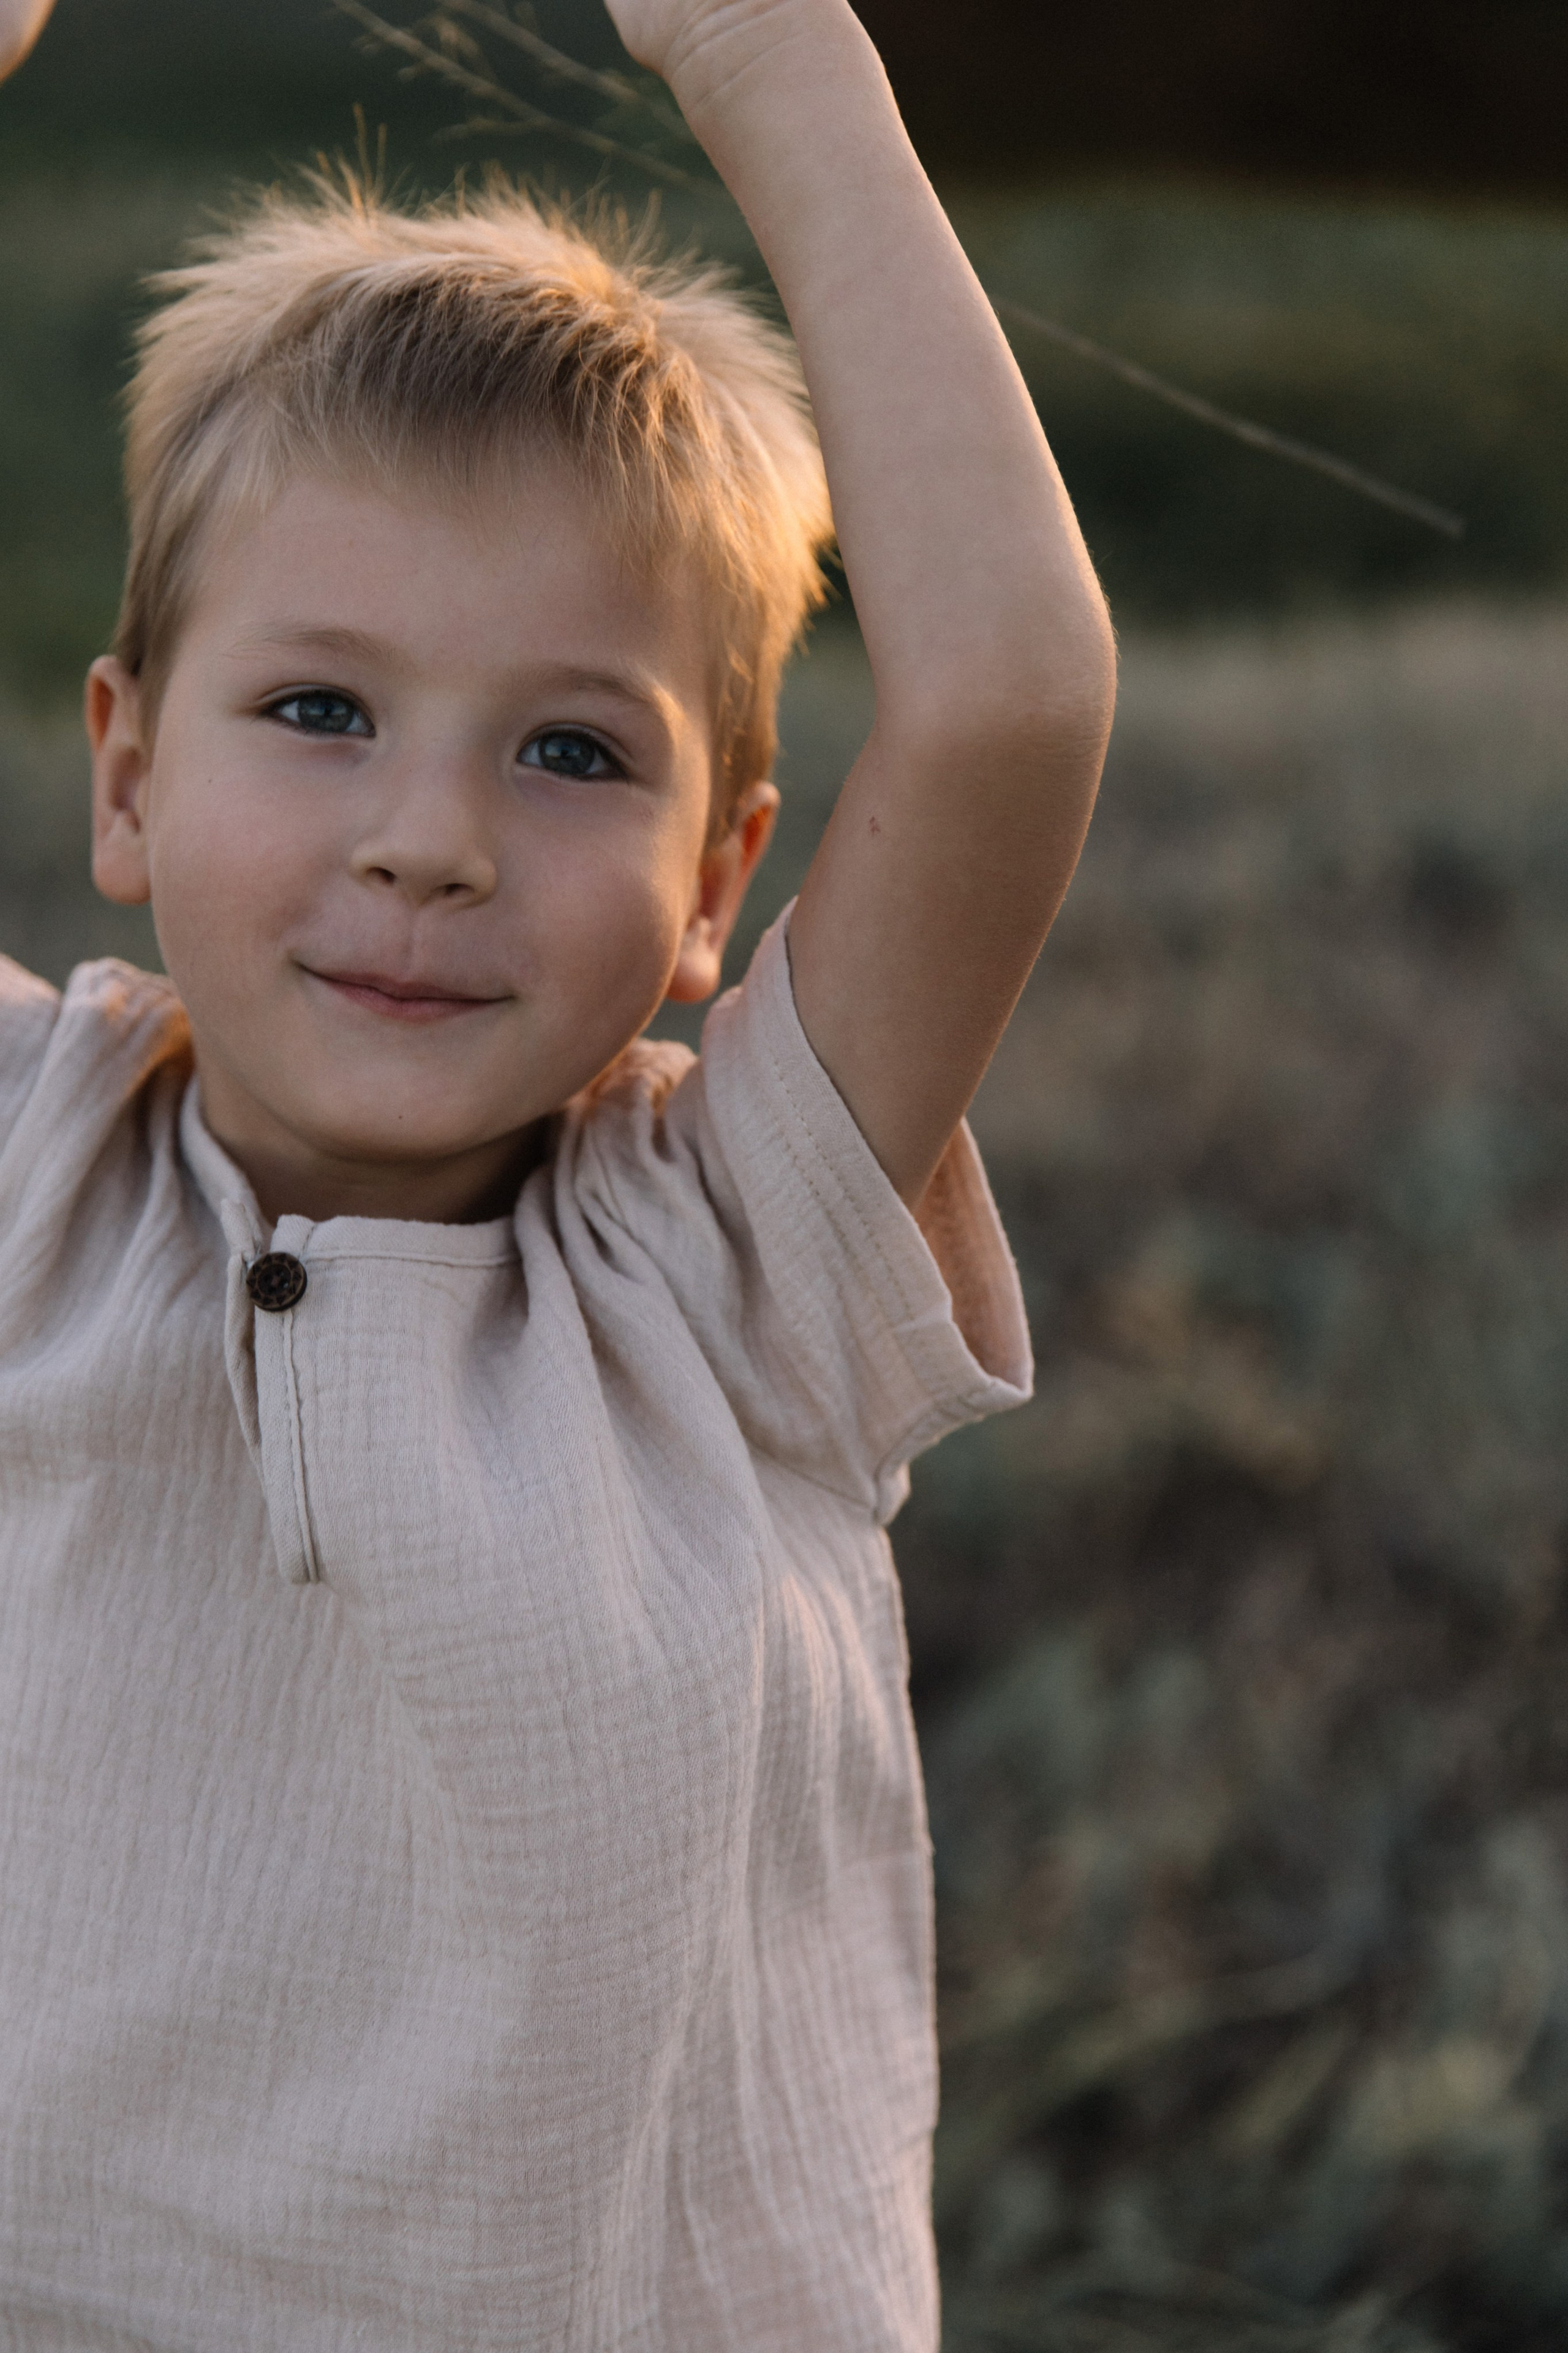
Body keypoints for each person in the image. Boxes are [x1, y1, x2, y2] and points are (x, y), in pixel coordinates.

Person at [0, 0, 1114, 2344]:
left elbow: (1011, 691)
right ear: (124, 778)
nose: (429, 839)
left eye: (575, 750)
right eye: (319, 709)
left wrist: (768, 55)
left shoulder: (740, 1264)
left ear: (721, 876)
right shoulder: (30, 1169)